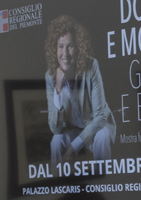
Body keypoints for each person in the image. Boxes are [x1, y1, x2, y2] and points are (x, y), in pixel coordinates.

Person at [45, 15, 116, 165]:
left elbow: (100, 117)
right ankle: (56, 180)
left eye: (70, 46)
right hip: (72, 129)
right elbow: (55, 128)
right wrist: (58, 89)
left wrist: (73, 147)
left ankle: (105, 178)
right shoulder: (50, 76)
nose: (65, 53)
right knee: (56, 141)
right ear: (54, 49)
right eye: (60, 46)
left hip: (95, 127)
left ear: (78, 48)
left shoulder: (91, 66)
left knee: (102, 137)